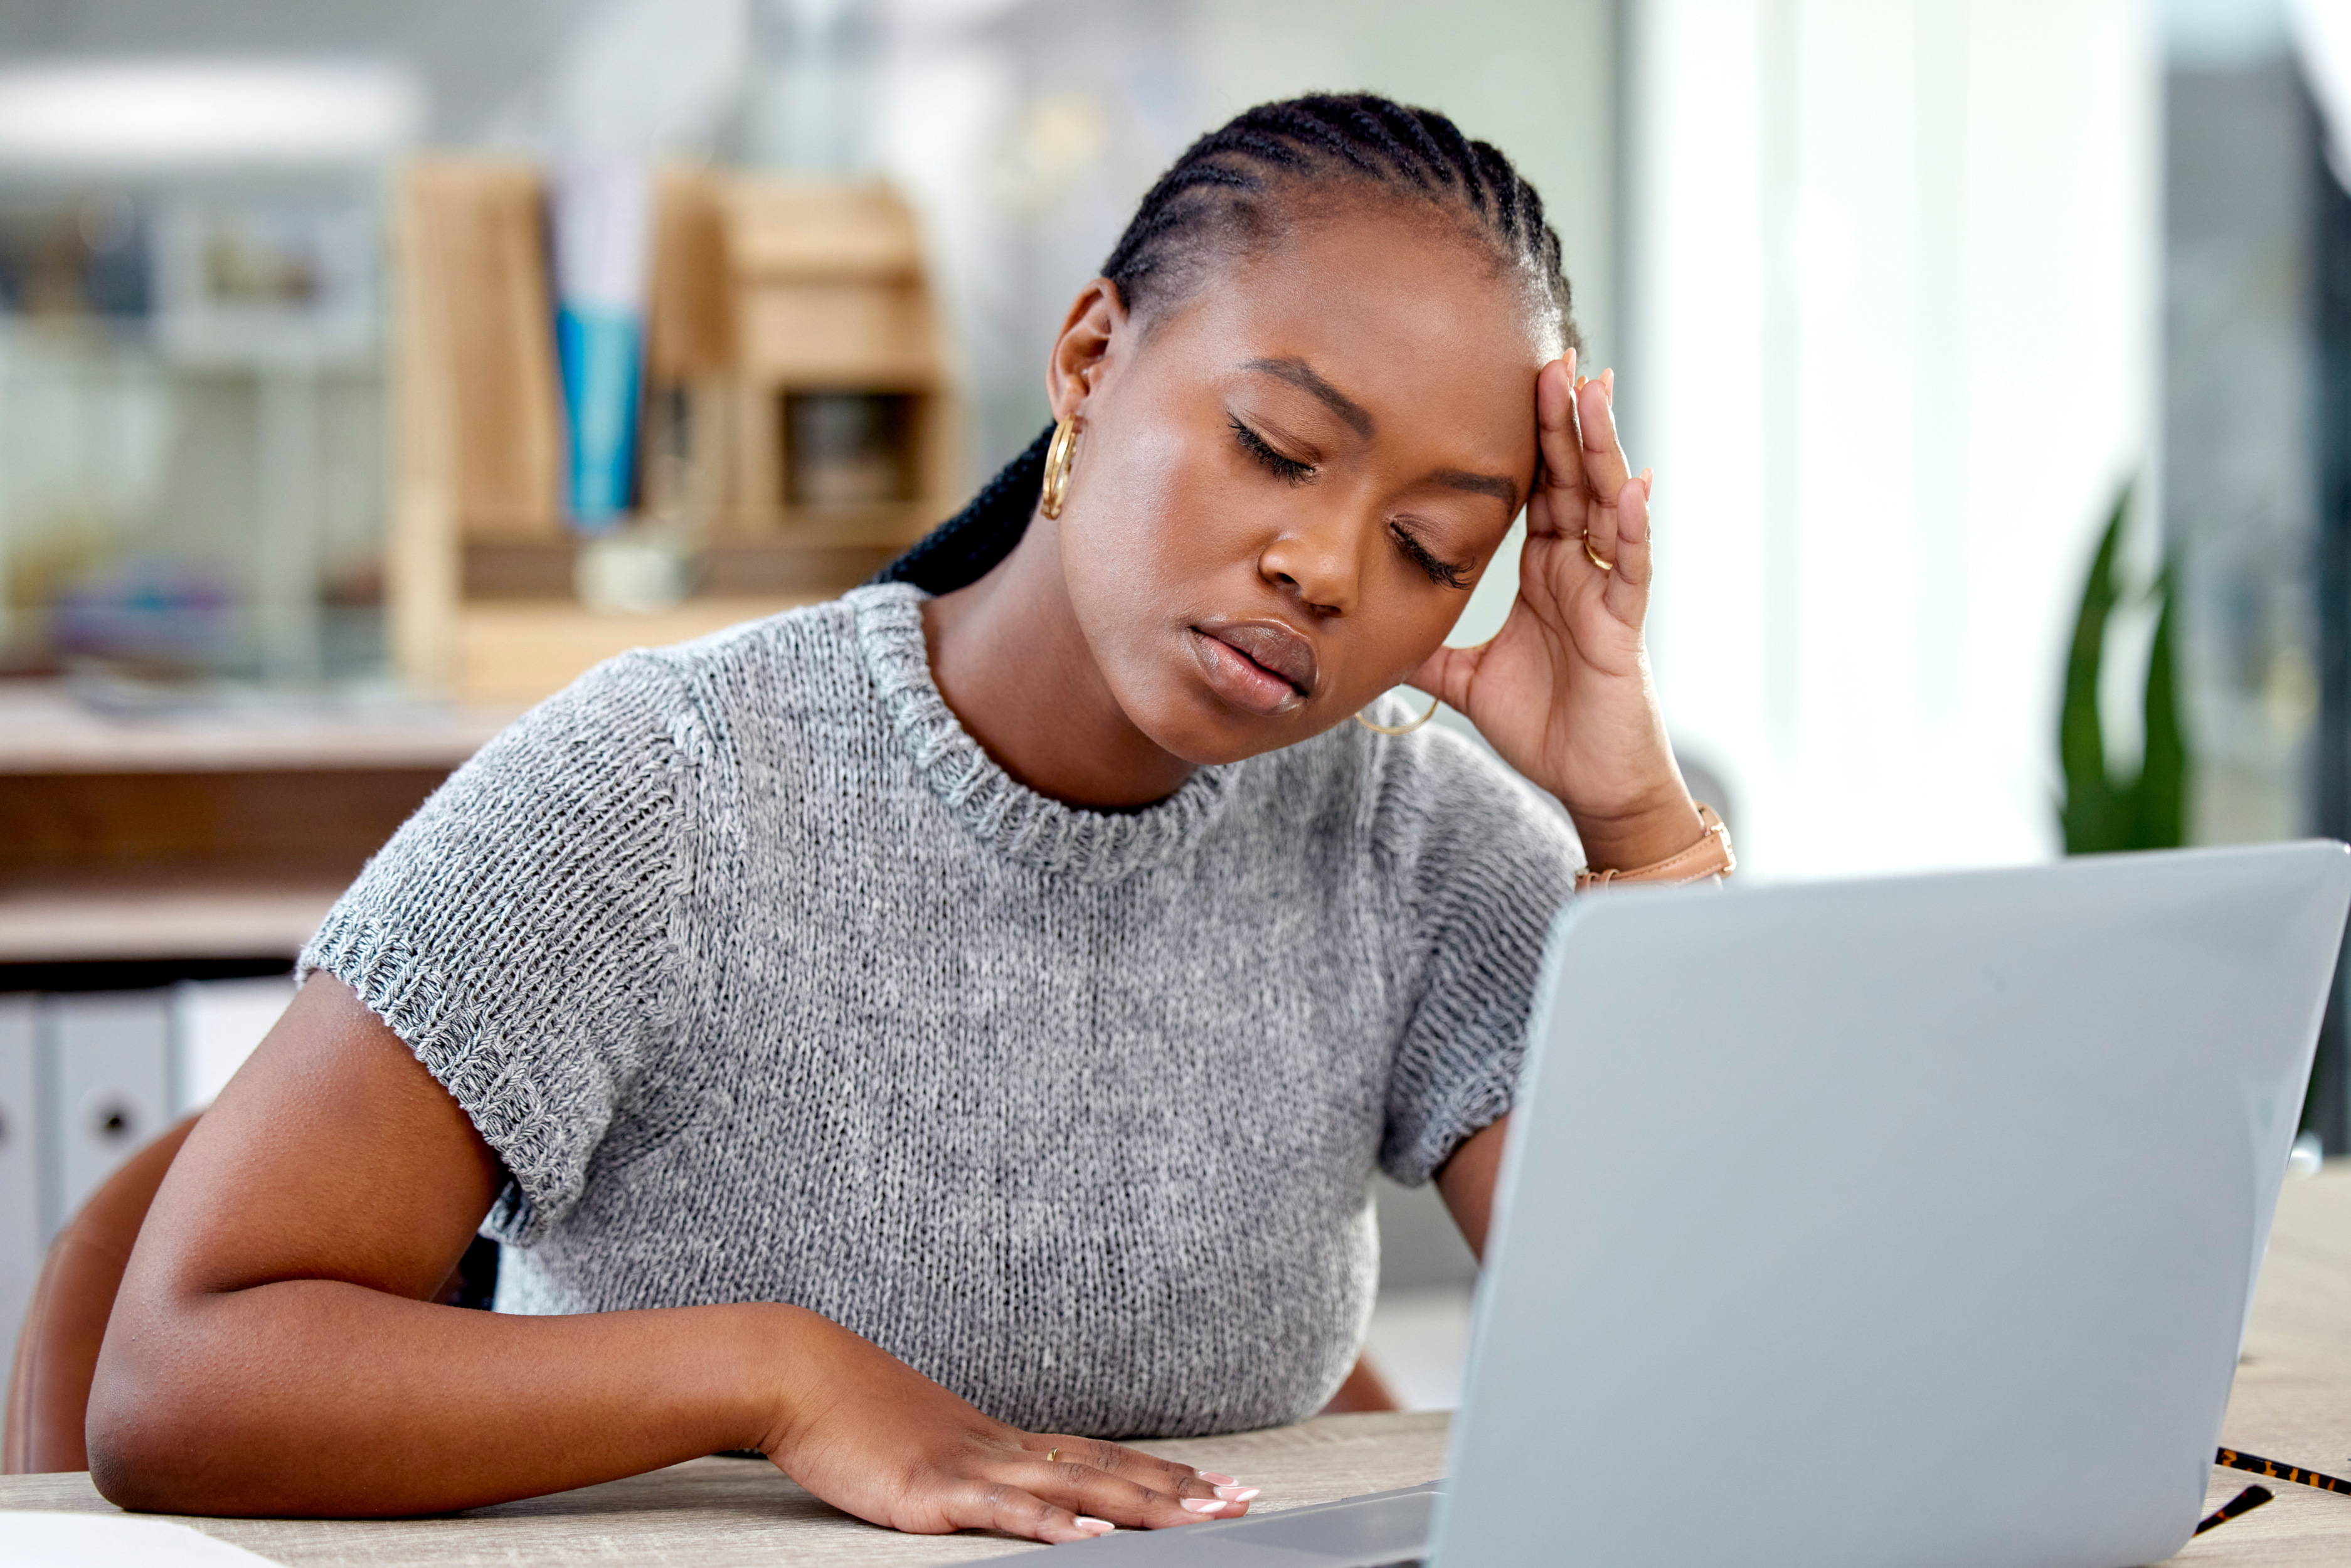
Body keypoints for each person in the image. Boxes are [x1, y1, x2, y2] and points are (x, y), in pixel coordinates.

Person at [87, 93, 1727, 1544]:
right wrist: (773, 1373)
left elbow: (1697, 1383)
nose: (1326, 568)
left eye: (1430, 552)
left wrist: (1633, 815)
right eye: (1273, 447)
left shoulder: (1405, 841)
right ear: (1090, 357)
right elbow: (177, 1372)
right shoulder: (671, 783)